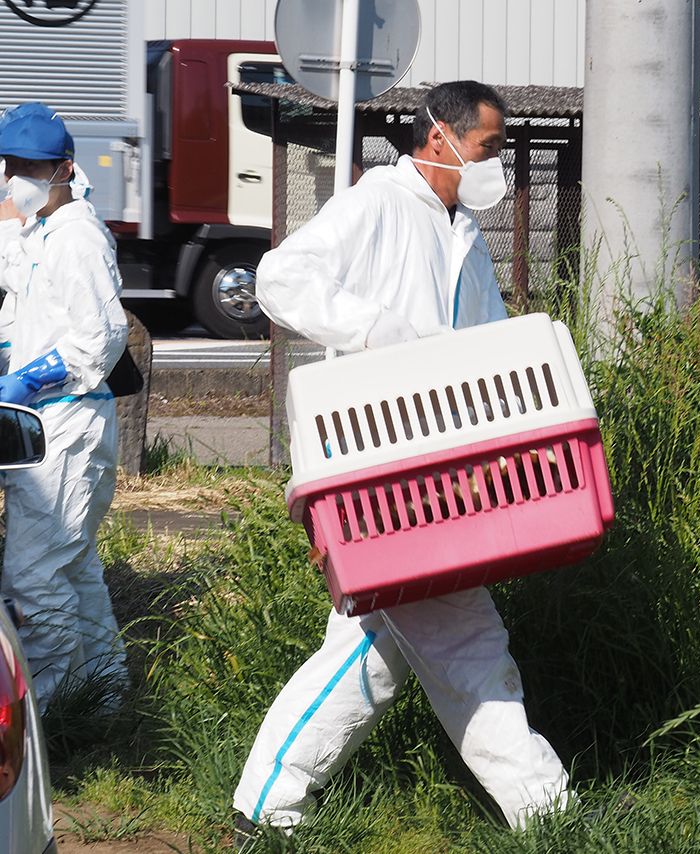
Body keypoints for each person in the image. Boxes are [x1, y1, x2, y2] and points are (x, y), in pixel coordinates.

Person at [232, 81, 570, 841]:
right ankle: (548, 814)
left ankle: (265, 805)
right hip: (382, 466)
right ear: (437, 140)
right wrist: (379, 332)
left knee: (373, 651)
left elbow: (487, 346)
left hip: (439, 470)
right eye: (487, 149)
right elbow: (282, 277)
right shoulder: (379, 203)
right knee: (469, 645)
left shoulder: (462, 231)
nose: (496, 166)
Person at [0, 102, 130, 711]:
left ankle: (48, 715)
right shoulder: (41, 232)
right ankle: (104, 699)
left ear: (64, 168)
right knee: (75, 569)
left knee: (33, 575)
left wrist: (26, 380)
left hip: (68, 424)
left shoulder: (78, 235)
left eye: (30, 166)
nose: (16, 177)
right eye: (11, 165)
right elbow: (24, 315)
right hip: (44, 426)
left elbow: (101, 336)